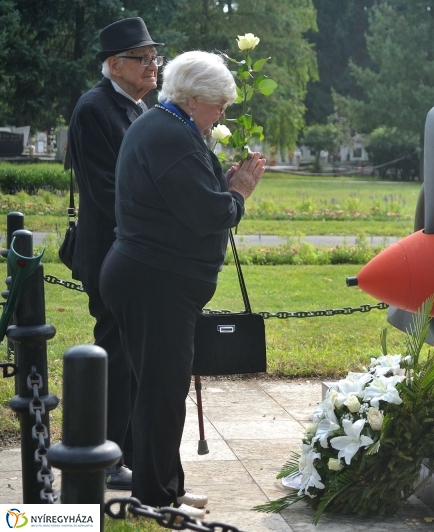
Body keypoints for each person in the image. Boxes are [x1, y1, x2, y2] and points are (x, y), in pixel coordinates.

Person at [99, 50, 265, 517]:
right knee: (161, 392)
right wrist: (238, 193)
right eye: (219, 106)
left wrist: (223, 183)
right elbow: (208, 214)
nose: (222, 115)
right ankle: (155, 498)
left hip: (154, 279)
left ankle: (163, 486)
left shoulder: (168, 127)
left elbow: (192, 195)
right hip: (155, 281)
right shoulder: (169, 134)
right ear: (193, 100)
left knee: (158, 390)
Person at [67, 16, 164, 491]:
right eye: (141, 59)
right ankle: (103, 453)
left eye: (154, 57)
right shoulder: (94, 109)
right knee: (114, 351)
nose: (152, 66)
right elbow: (108, 191)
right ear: (113, 65)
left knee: (132, 355)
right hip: (111, 253)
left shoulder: (144, 111)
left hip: (140, 252)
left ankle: (121, 449)